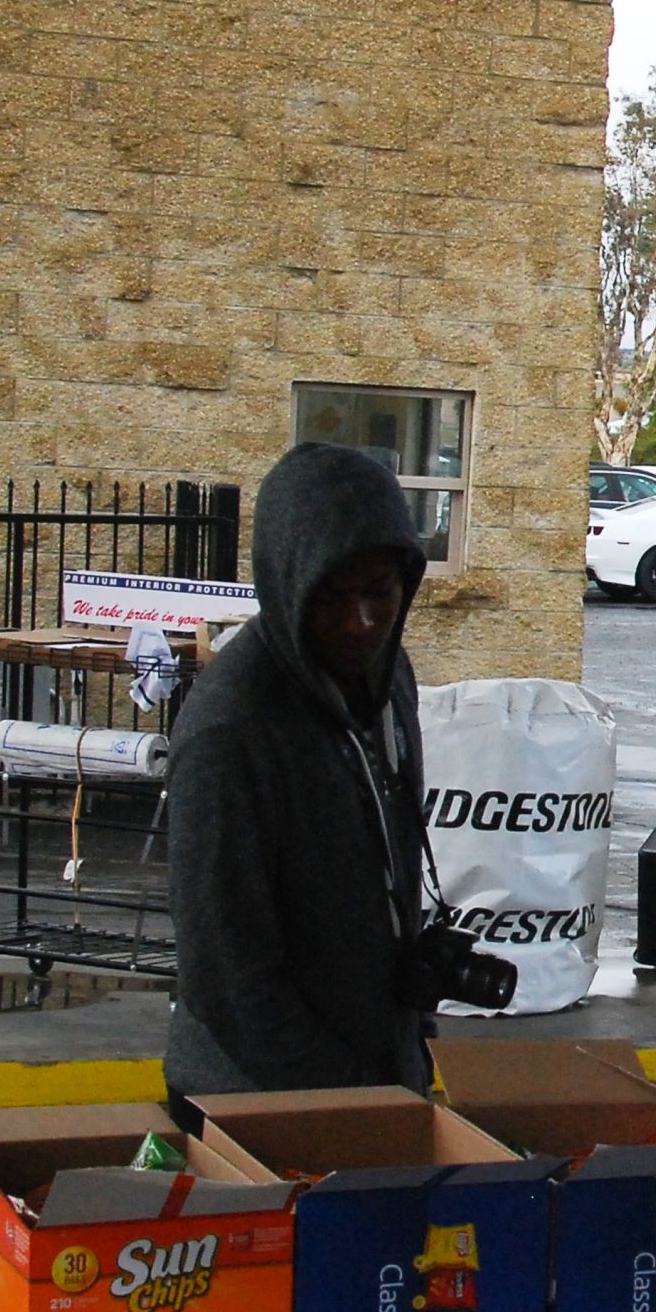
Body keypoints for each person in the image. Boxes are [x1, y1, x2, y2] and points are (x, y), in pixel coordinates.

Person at [166, 442, 436, 1096]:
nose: (362, 622)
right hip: (258, 1097)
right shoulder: (229, 731)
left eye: (381, 593)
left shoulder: (387, 676)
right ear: (287, 585)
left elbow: (384, 858)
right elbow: (229, 972)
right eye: (332, 597)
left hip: (375, 1072)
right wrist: (342, 1098)